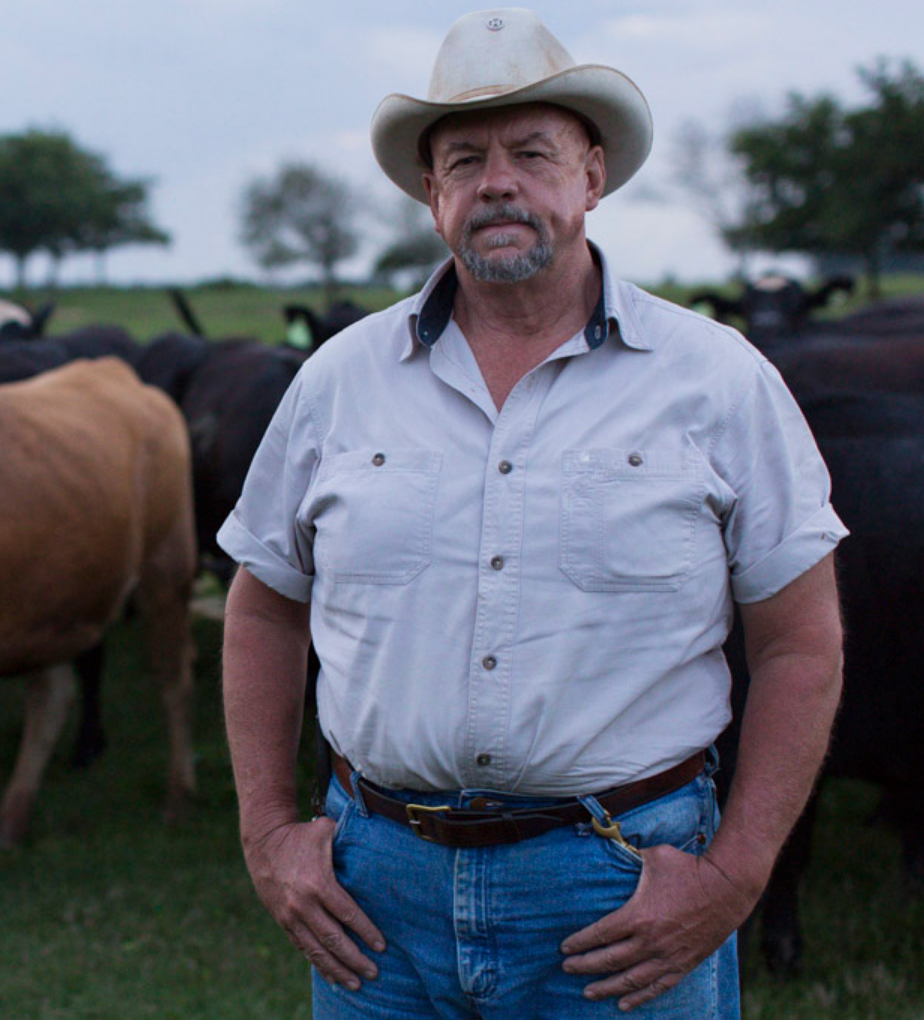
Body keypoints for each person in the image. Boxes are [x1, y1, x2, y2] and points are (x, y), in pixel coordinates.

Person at [219, 8, 846, 1018]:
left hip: (622, 888)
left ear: (591, 175)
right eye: (463, 159)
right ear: (431, 196)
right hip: (375, 893)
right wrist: (267, 834)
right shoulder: (339, 382)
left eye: (532, 152)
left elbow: (801, 646)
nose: (496, 181)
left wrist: (735, 874)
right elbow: (261, 609)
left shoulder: (718, 380)